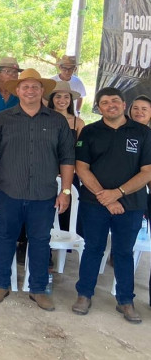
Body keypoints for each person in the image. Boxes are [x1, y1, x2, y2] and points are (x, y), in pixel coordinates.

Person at [0, 69, 75, 311]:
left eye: (35, 87)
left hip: (43, 194)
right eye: (25, 87)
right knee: (5, 238)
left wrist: (65, 191)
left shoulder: (57, 121)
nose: (30, 91)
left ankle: (37, 289)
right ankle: (1, 284)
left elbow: (68, 158)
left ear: (42, 91)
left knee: (40, 242)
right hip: (8, 192)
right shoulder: (2, 119)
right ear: (18, 91)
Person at [71, 88, 151, 322]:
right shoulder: (90, 131)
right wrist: (103, 196)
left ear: (123, 104)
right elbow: (81, 167)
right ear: (99, 107)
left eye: (115, 101)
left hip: (131, 205)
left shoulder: (143, 133)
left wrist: (117, 193)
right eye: (105, 102)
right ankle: (84, 294)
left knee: (123, 252)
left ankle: (125, 301)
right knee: (93, 248)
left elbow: (147, 171)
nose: (110, 105)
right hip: (94, 203)